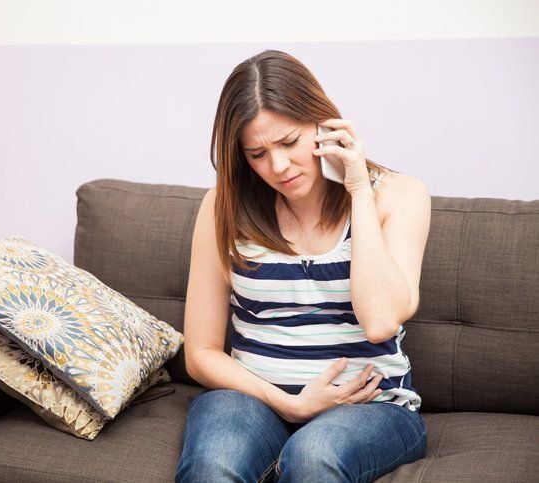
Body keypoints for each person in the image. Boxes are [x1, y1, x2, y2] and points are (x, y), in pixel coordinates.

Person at [175, 50, 432, 482]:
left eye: (289, 142)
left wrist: (358, 190)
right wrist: (289, 404)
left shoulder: (398, 195)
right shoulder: (223, 206)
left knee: (313, 455)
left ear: (323, 123)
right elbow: (200, 354)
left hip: (372, 408)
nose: (278, 167)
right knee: (213, 463)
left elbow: (380, 322)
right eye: (257, 154)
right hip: (256, 401)